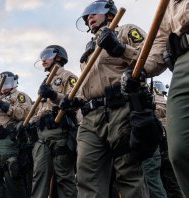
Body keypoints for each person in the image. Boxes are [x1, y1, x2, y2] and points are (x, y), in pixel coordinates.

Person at [66, 0, 166, 196]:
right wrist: (74, 100)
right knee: (87, 176)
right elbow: (86, 84)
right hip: (90, 117)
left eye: (94, 12)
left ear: (110, 14)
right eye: (87, 16)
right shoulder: (88, 51)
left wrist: (120, 49)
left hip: (121, 108)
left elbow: (151, 59)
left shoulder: (126, 31)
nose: (89, 18)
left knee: (128, 173)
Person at [144, 1, 189, 197]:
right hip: (183, 61)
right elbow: (160, 43)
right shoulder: (168, 4)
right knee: (182, 150)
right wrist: (137, 71)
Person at [28, 45, 78, 198]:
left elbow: (75, 101)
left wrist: (53, 95)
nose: (43, 60)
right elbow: (38, 109)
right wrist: (31, 122)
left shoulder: (68, 76)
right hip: (42, 135)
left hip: (59, 133)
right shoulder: (45, 83)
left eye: (47, 55)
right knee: (39, 177)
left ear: (58, 57)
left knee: (64, 178)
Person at [0, 71, 32, 198]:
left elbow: (25, 114)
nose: (3, 86)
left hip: (9, 140)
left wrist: (4, 106)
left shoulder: (20, 96)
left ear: (13, 83)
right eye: (1, 83)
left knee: (12, 177)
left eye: (7, 83)